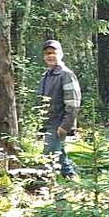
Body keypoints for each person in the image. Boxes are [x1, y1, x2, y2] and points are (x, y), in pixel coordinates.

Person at [37, 39, 81, 177]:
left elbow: (73, 103)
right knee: (60, 153)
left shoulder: (66, 74)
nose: (50, 56)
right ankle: (71, 177)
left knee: (48, 156)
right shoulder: (45, 76)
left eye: (53, 53)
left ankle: (45, 186)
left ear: (60, 54)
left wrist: (65, 126)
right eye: (46, 53)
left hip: (59, 124)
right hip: (48, 123)